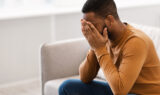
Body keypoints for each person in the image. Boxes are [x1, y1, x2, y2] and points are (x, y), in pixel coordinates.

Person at [58, 0, 160, 95]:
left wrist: (99, 48)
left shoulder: (136, 42)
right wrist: (94, 47)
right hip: (122, 90)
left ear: (110, 20)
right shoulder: (103, 38)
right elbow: (85, 78)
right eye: (87, 26)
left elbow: (120, 90)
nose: (90, 31)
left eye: (92, 26)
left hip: (142, 93)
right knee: (66, 87)